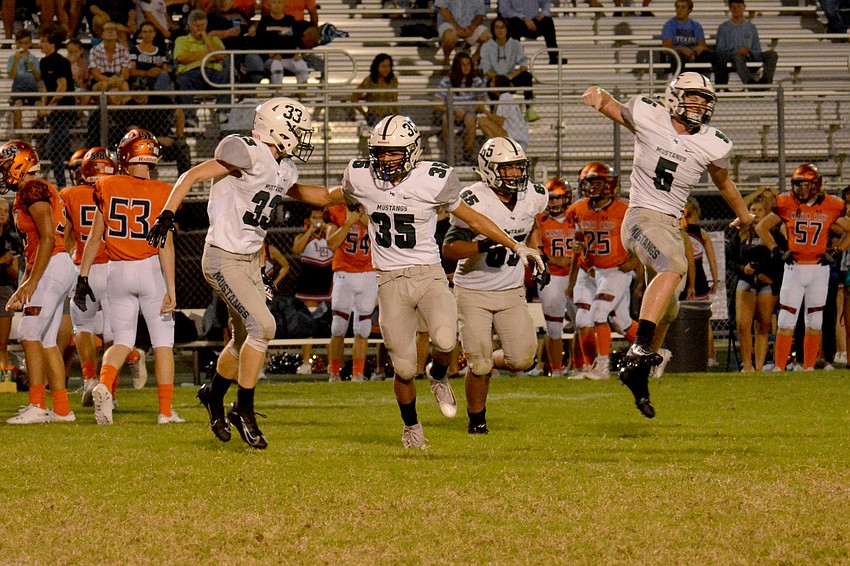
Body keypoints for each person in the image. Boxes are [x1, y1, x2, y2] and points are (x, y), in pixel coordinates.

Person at [327, 116, 545, 447]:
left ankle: (438, 375)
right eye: (381, 152)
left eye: (394, 152)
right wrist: (276, 185)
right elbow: (328, 196)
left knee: (445, 342)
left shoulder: (434, 179)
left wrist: (518, 245)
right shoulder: (362, 177)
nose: (386, 159)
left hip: (429, 274)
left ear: (412, 151)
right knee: (403, 367)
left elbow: (474, 219)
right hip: (389, 281)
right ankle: (411, 426)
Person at [147, 97, 327, 450]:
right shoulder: (246, 151)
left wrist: (351, 195)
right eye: (299, 131)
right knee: (265, 326)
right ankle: (243, 408)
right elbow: (191, 175)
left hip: (249, 261)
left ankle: (213, 396)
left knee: (243, 339)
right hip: (222, 258)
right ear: (279, 129)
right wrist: (167, 214)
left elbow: (310, 195)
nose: (303, 138)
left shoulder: (282, 167)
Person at [582, 72, 751, 418]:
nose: (700, 105)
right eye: (693, 97)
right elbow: (610, 104)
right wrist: (597, 93)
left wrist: (745, 214)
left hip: (672, 225)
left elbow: (723, 181)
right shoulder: (649, 115)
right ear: (673, 97)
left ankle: (637, 375)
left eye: (705, 100)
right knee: (673, 267)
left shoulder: (711, 142)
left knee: (670, 308)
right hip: (642, 217)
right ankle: (640, 350)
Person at [75, 128, 182, 425]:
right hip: (149, 270)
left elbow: (95, 238)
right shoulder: (164, 192)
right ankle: (165, 412)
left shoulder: (107, 184)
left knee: (121, 340)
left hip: (116, 270)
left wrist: (83, 277)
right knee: (162, 343)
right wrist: (171, 287)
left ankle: (103, 385)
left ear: (125, 154)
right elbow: (165, 244)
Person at [442, 137, 546, 434]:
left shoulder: (533, 196)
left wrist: (538, 255)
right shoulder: (474, 199)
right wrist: (484, 246)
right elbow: (449, 250)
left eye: (517, 167)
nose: (515, 174)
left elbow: (531, 224)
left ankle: (482, 359)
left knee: (523, 359)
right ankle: (477, 420)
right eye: (507, 168)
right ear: (488, 170)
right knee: (481, 364)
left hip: (512, 292)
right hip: (473, 291)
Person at [1, 141, 77, 424]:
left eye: (6, 166)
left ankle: (36, 404)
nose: (4, 173)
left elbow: (47, 236)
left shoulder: (32, 189)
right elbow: (65, 229)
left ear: (19, 163)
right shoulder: (39, 189)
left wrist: (30, 281)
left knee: (29, 333)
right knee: (46, 340)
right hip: (55, 264)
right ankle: (61, 408)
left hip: (49, 266)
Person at [754, 164, 850, 372]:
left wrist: (837, 250)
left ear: (817, 185)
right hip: (794, 267)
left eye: (807, 185)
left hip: (819, 268)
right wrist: (776, 250)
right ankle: (779, 366)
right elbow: (761, 226)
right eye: (799, 185)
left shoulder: (831, 205)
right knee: (786, 318)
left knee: (815, 320)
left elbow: (849, 229)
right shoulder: (786, 202)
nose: (803, 190)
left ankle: (808, 367)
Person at [567, 162, 640, 381]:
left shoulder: (624, 210)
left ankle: (602, 367)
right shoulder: (577, 210)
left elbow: (643, 241)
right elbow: (578, 242)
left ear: (610, 184)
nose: (594, 187)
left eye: (599, 182)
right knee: (594, 320)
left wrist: (636, 262)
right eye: (590, 182)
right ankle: (654, 354)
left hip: (614, 270)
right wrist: (571, 280)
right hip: (588, 270)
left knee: (599, 313)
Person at [60, 147, 116, 406]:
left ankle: (90, 380)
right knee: (116, 332)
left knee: (82, 326)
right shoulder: (120, 189)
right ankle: (108, 389)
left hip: (84, 268)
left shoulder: (69, 194)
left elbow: (67, 237)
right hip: (116, 268)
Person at [729, 196, 782, 372]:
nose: (755, 213)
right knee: (743, 325)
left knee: (763, 324)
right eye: (752, 210)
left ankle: (759, 367)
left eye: (759, 210)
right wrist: (743, 268)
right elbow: (730, 260)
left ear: (766, 213)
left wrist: (772, 278)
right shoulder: (741, 235)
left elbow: (782, 257)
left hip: (766, 283)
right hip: (746, 281)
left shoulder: (773, 234)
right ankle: (747, 365)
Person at [325, 201, 376, 383]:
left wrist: (363, 218)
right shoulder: (336, 212)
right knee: (338, 326)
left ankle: (357, 374)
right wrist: (348, 222)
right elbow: (331, 243)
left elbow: (382, 234)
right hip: (344, 272)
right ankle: (334, 373)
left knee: (363, 328)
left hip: (369, 272)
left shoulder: (374, 208)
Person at [533, 177, 576, 377]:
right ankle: (556, 370)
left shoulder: (577, 217)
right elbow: (533, 248)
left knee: (584, 323)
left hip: (578, 276)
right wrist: (553, 260)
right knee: (554, 327)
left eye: (559, 198)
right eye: (551, 199)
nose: (555, 203)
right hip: (551, 276)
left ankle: (580, 366)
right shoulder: (539, 220)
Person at [436, 52, 500, 164]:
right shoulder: (446, 81)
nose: (466, 67)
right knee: (446, 119)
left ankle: (467, 156)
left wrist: (469, 109)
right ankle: (452, 157)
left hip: (469, 112)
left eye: (468, 64)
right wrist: (453, 110)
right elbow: (437, 104)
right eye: (463, 64)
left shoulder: (476, 81)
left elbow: (481, 103)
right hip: (451, 112)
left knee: (470, 119)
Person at [292, 207, 333, 374]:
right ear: (308, 220)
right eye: (314, 217)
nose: (317, 220)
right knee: (306, 325)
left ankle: (332, 365)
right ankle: (307, 362)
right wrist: (310, 230)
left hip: (327, 285)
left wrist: (326, 229)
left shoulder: (330, 235)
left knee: (328, 326)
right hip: (307, 286)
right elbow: (296, 249)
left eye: (320, 217)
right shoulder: (303, 236)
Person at [174, 9, 230, 125]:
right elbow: (182, 58)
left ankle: (223, 112)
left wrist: (206, 39)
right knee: (182, 81)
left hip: (213, 73)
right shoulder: (181, 40)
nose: (199, 28)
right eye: (196, 26)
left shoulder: (214, 40)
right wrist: (208, 55)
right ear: (189, 26)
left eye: (202, 25)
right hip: (192, 74)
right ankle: (190, 118)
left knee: (225, 74)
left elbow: (220, 56)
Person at [478, 16, 538, 123]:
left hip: (510, 79)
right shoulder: (486, 47)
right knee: (489, 83)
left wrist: (511, 76)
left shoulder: (515, 44)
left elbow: (523, 65)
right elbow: (485, 69)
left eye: (502, 27)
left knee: (526, 76)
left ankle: (529, 109)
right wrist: (499, 78)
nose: (500, 30)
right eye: (497, 27)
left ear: (507, 29)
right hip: (495, 79)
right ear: (493, 29)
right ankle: (494, 113)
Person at [38, 24, 75, 188]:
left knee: (53, 148)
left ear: (51, 44)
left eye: (43, 41)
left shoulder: (61, 62)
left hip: (64, 110)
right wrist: (43, 104)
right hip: (54, 113)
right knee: (55, 149)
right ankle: (61, 182)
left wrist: (50, 106)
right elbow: (47, 86)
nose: (40, 44)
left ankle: (62, 183)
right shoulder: (43, 62)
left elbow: (62, 86)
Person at [714, 0, 778, 86]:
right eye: (733, 7)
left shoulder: (751, 27)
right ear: (730, 8)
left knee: (772, 54)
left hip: (749, 55)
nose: (736, 9)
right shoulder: (723, 28)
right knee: (737, 57)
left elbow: (757, 49)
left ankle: (766, 82)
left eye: (738, 6)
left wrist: (750, 51)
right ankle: (750, 83)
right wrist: (736, 51)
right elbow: (720, 49)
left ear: (744, 7)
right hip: (734, 57)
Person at [253, 0, 310, 85]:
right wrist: (270, 54)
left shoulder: (290, 20)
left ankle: (302, 96)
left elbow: (297, 40)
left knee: (301, 66)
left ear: (284, 5)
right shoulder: (264, 22)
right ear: (269, 5)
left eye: (279, 2)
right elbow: (259, 42)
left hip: (290, 57)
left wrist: (298, 53)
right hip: (272, 59)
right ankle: (277, 95)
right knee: (277, 66)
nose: (276, 5)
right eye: (274, 2)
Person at [660, 0, 722, 79]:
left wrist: (699, 49)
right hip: (677, 56)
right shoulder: (669, 25)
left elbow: (702, 45)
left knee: (716, 56)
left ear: (689, 10)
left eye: (683, 7)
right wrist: (682, 49)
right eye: (677, 7)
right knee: (678, 56)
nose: (679, 10)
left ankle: (720, 86)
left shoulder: (696, 25)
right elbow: (666, 49)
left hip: (693, 55)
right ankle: (681, 86)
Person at [499, 0, 566, 65]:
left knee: (548, 22)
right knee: (512, 23)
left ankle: (554, 57)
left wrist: (543, 13)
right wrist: (524, 18)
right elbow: (505, 11)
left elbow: (546, 2)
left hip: (534, 19)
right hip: (517, 20)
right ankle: (514, 58)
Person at [0, 199, 22, 372]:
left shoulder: (12, 239)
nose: (2, 214)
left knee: (2, 343)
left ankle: (3, 377)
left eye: (5, 211)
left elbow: (14, 274)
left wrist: (8, 264)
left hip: (4, 288)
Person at [435, 0, 490, 67]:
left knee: (488, 36)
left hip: (470, 24)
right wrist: (457, 28)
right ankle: (446, 61)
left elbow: (480, 14)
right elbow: (443, 9)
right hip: (449, 23)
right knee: (449, 36)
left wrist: (472, 28)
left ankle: (471, 62)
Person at [350, 53, 399, 128]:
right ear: (376, 67)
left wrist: (397, 116)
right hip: (374, 116)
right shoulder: (369, 80)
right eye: (383, 66)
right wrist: (365, 114)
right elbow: (354, 98)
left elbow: (394, 100)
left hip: (389, 115)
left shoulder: (393, 80)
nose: (386, 69)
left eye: (388, 66)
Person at [8, 29, 41, 131]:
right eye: (21, 43)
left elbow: (38, 78)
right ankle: (19, 132)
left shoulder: (34, 58)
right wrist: (15, 61)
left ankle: (39, 127)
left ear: (30, 43)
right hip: (18, 88)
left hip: (32, 88)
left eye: (26, 43)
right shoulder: (12, 58)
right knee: (18, 106)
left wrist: (33, 68)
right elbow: (12, 76)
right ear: (16, 43)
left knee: (40, 105)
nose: (23, 46)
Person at [88, 21, 131, 94]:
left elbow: (125, 74)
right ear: (102, 34)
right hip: (100, 80)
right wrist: (109, 79)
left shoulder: (124, 50)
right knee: (104, 84)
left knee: (124, 85)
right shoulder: (94, 50)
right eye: (107, 30)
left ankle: (127, 104)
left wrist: (118, 79)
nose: (110, 32)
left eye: (113, 29)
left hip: (118, 79)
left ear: (117, 34)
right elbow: (96, 75)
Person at [129, 21, 171, 92]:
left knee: (163, 76)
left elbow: (165, 70)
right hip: (140, 81)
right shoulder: (134, 50)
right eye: (145, 32)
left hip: (157, 81)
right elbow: (132, 71)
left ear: (154, 34)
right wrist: (147, 73)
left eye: (150, 31)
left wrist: (158, 71)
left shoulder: (161, 52)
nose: (147, 34)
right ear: (140, 34)